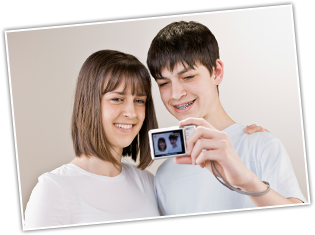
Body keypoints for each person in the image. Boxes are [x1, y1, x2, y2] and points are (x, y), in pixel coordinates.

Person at [146, 21, 306, 216]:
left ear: (217, 72)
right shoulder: (164, 174)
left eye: (188, 77)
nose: (176, 93)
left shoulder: (261, 145)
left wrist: (246, 181)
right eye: (164, 83)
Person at [24, 50, 160, 229]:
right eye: (117, 99)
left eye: (139, 101)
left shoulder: (148, 183)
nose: (131, 113)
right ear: (90, 104)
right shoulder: (53, 190)